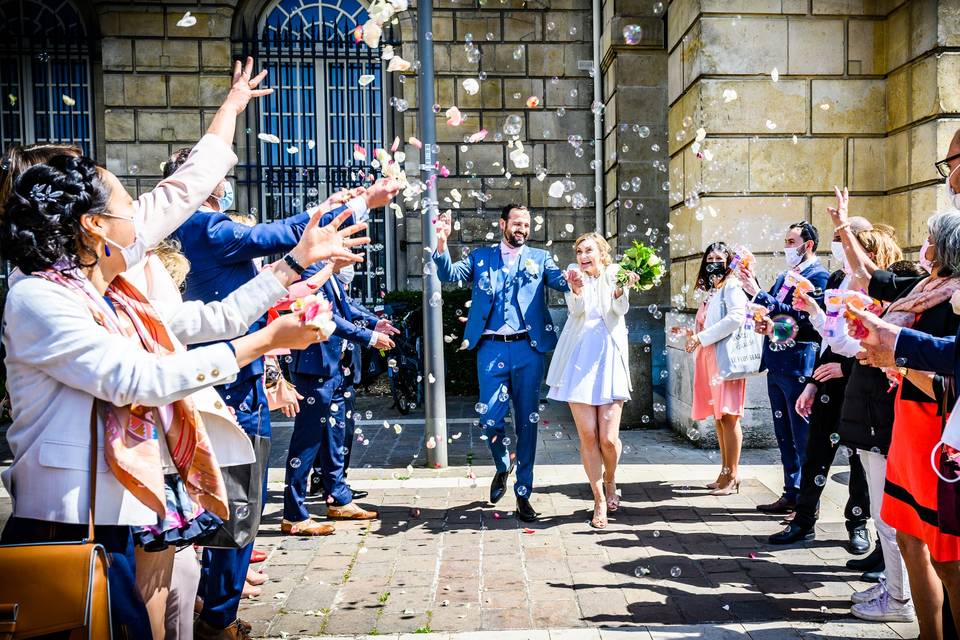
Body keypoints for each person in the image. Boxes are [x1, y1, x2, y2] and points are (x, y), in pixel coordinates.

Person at [0, 151, 362, 638]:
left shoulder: (114, 296)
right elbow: (138, 379)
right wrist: (263, 343)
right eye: (129, 205)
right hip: (65, 521)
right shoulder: (39, 298)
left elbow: (212, 321)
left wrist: (293, 264)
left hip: (118, 510)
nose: (140, 215)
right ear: (94, 226)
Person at [841, 209, 960, 636]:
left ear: (946, 247)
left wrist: (896, 360)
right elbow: (870, 276)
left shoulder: (954, 300)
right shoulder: (924, 289)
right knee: (909, 538)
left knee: (948, 559)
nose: (923, 246)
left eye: (929, 238)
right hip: (907, 428)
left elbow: (949, 383)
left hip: (938, 436)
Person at [433, 204, 571, 522]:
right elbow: (448, 274)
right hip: (491, 349)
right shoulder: (482, 258)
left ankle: (523, 494)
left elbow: (563, 282)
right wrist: (442, 243)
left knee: (527, 423)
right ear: (502, 224)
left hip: (528, 350)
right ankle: (501, 464)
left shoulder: (540, 258)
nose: (522, 229)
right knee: (490, 420)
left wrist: (581, 274)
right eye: (517, 223)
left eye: (527, 224)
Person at [768, 216, 880, 555]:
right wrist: (813, 383)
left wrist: (843, 367)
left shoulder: (875, 285)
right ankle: (803, 521)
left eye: (842, 237)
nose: (838, 244)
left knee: (860, 459)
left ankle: (858, 524)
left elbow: (873, 341)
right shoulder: (835, 278)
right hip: (828, 382)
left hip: (859, 380)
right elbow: (828, 338)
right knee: (817, 448)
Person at [284, 255, 397, 531]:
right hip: (314, 367)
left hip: (334, 367)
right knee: (308, 440)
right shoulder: (309, 270)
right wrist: (369, 337)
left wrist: (373, 322)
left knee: (335, 435)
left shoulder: (328, 271)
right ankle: (294, 515)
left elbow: (346, 307)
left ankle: (338, 499)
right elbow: (327, 316)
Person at [738, 221, 830, 514]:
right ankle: (791, 492)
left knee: (802, 434)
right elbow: (782, 321)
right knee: (784, 433)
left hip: (799, 366)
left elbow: (807, 322)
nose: (787, 247)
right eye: (787, 242)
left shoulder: (820, 277)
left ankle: (808, 502)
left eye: (792, 242)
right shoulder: (784, 277)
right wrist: (763, 320)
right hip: (777, 363)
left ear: (809, 245)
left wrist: (759, 294)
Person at [545, 232, 635, 528]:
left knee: (608, 439)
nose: (583, 256)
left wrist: (621, 291)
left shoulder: (615, 273)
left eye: (588, 250)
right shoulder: (575, 275)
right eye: (579, 251)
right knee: (588, 437)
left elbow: (619, 311)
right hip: (579, 360)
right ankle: (599, 501)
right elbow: (577, 310)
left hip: (610, 360)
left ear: (602, 252)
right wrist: (574, 289)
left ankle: (611, 481)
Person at [684, 242, 748, 497]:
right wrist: (694, 334)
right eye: (709, 257)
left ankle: (732, 475)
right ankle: (724, 473)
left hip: (725, 360)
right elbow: (707, 321)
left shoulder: (732, 285)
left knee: (730, 416)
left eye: (719, 257)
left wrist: (702, 337)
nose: (713, 261)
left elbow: (736, 317)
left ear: (728, 261)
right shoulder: (714, 290)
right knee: (719, 417)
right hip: (709, 358)